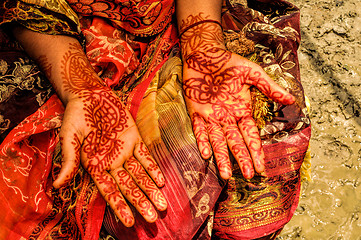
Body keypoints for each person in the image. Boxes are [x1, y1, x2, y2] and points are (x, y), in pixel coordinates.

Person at [0, 0, 311, 239]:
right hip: (53, 38)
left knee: (266, 136)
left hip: (188, 16)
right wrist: (81, 86)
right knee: (152, 214)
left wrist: (201, 39)